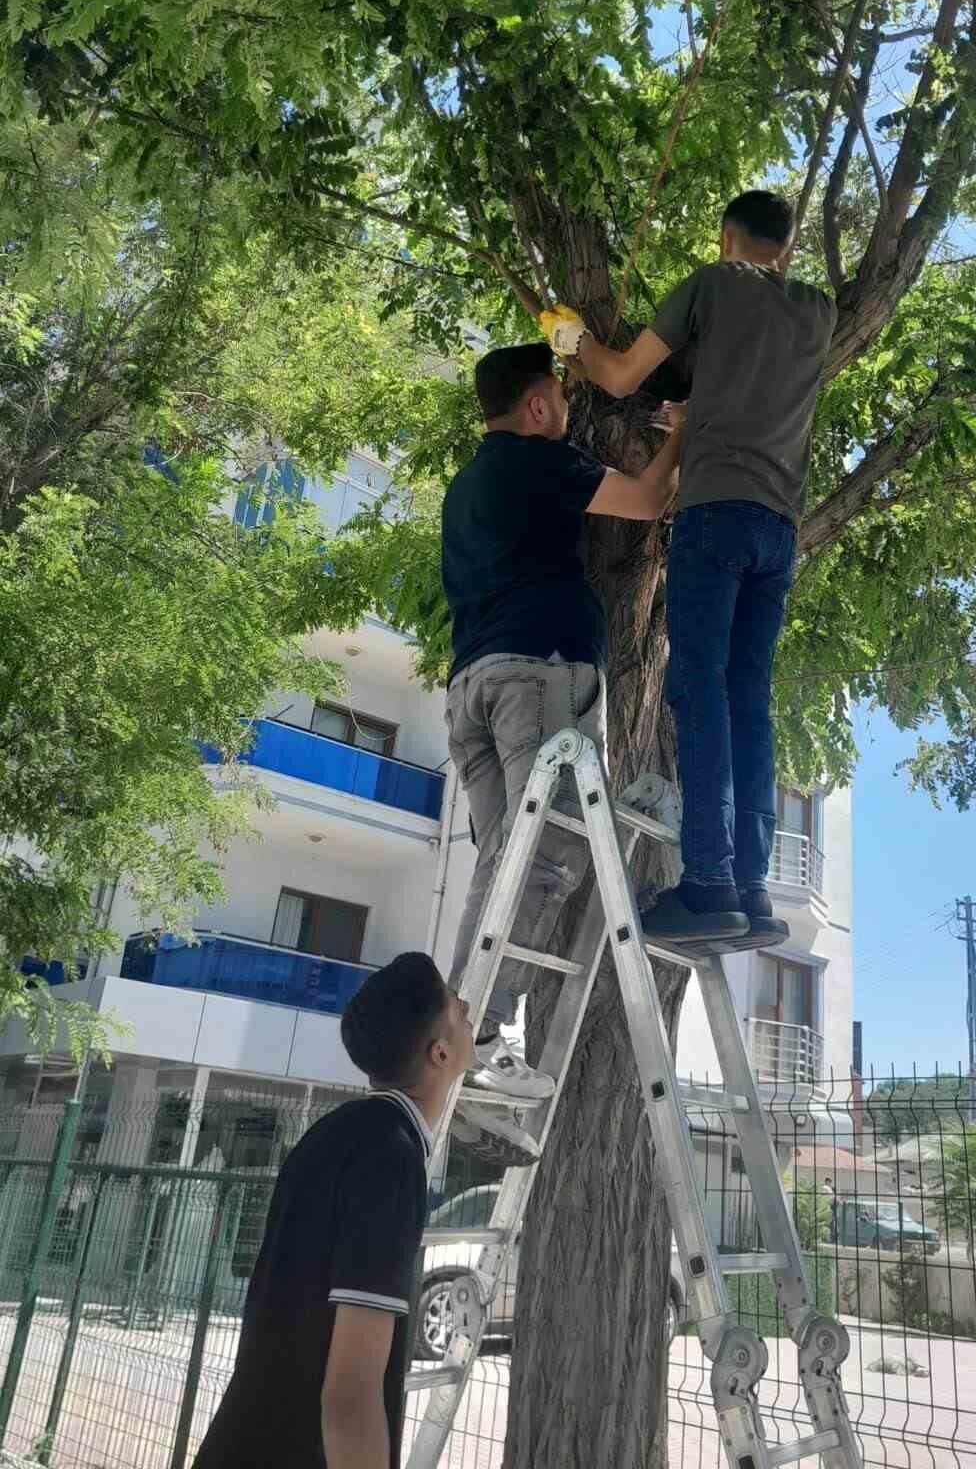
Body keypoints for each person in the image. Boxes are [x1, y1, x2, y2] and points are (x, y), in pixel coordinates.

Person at [540, 190, 837, 948]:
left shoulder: (713, 283)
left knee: (696, 688)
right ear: (788, 246)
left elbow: (616, 377)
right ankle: (750, 891)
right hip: (779, 528)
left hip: (715, 515)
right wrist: (694, 412)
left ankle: (706, 884)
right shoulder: (818, 312)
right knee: (748, 702)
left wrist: (569, 338)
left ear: (726, 236)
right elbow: (746, 379)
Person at [440, 340, 711, 1167]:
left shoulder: (468, 484)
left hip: (473, 688)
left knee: (501, 864)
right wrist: (684, 430)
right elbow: (648, 498)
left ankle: (458, 1045)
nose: (565, 409)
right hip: (538, 675)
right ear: (534, 408)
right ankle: (480, 1041)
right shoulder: (538, 462)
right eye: (558, 397)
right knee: (551, 858)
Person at [192, 952, 474, 1469]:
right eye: (458, 1009)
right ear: (439, 1054)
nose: (469, 1007)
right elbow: (350, 1394)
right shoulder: (392, 1158)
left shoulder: (334, 1132)